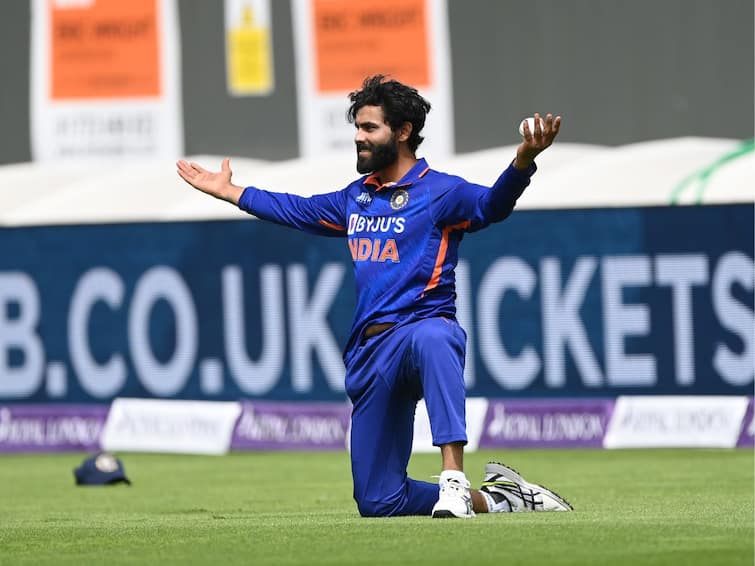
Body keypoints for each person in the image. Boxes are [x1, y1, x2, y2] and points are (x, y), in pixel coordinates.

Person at [176, 75, 572, 518]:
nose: (359, 139)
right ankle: (501, 499)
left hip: (420, 331)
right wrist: (232, 192)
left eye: (369, 129)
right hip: (371, 352)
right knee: (378, 501)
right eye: (358, 129)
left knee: (435, 337)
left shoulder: (440, 192)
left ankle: (454, 479)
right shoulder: (356, 198)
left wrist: (522, 163)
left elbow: (491, 206)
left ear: (402, 132)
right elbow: (296, 208)